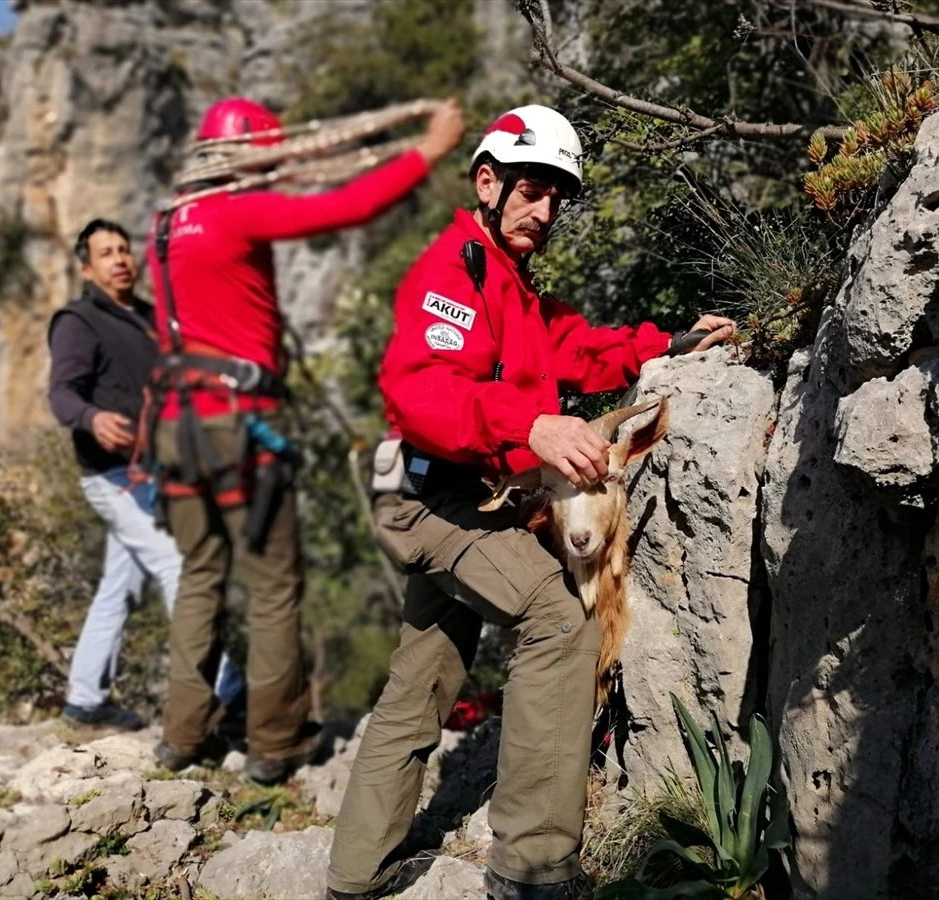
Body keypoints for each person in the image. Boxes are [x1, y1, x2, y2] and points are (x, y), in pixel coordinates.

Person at [326, 105, 736, 900]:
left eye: (556, 197)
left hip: (457, 495)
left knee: (425, 674)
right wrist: (533, 424)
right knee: (557, 618)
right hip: (439, 498)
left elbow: (575, 347)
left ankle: (354, 874)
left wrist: (667, 344)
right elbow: (421, 393)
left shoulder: (508, 283)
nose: (545, 211)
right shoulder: (455, 272)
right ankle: (534, 870)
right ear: (488, 181)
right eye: (531, 190)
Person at [146, 96, 466, 784]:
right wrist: (430, 150)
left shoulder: (165, 222)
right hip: (236, 424)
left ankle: (181, 736)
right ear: (250, 154)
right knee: (272, 585)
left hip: (174, 421)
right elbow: (346, 207)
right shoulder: (236, 212)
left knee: (201, 575)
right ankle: (275, 744)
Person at [47, 218, 243, 731]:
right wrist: (91, 418)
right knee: (182, 565)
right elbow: (62, 392)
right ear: (86, 267)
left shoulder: (150, 319)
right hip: (113, 475)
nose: (119, 259)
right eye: (106, 253)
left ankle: (85, 700)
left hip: (157, 470)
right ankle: (224, 693)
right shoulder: (78, 320)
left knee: (120, 586)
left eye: (123, 249)